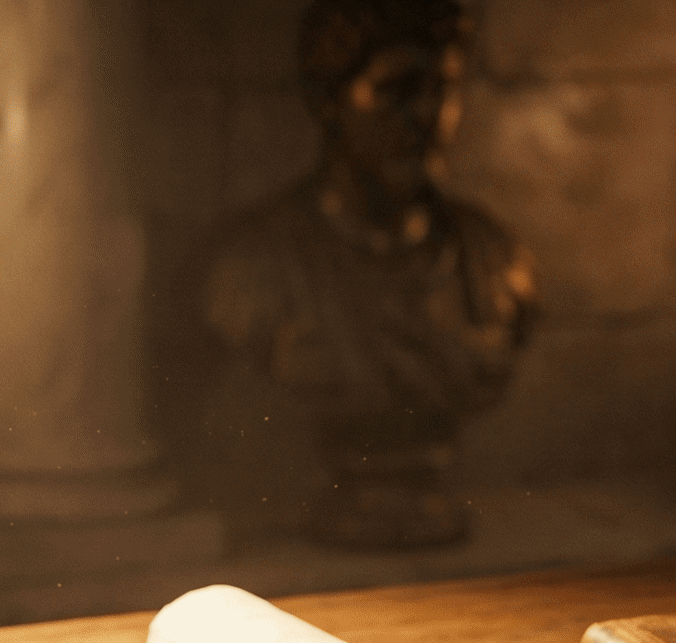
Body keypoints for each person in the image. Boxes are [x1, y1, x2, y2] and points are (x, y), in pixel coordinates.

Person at [204, 0, 534, 548]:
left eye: (443, 88)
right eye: (398, 89)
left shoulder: (498, 261)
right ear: (328, 100)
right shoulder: (255, 268)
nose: (427, 113)